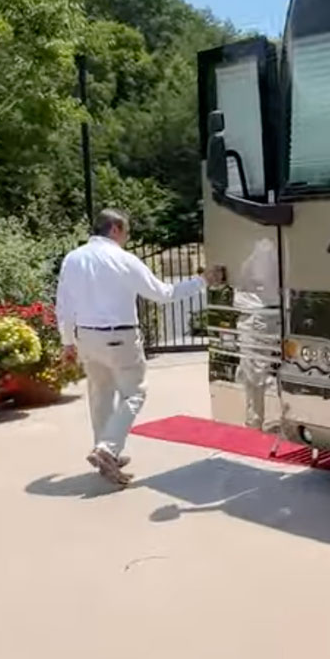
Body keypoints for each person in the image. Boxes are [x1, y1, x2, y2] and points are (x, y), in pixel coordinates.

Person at [55, 208, 222, 486]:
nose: (128, 238)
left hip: (86, 337)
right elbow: (163, 293)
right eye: (127, 232)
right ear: (116, 229)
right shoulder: (123, 260)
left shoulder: (73, 259)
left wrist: (67, 343)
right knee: (134, 393)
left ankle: (107, 452)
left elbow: (64, 305)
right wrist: (202, 280)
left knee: (100, 395)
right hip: (119, 338)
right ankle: (107, 449)